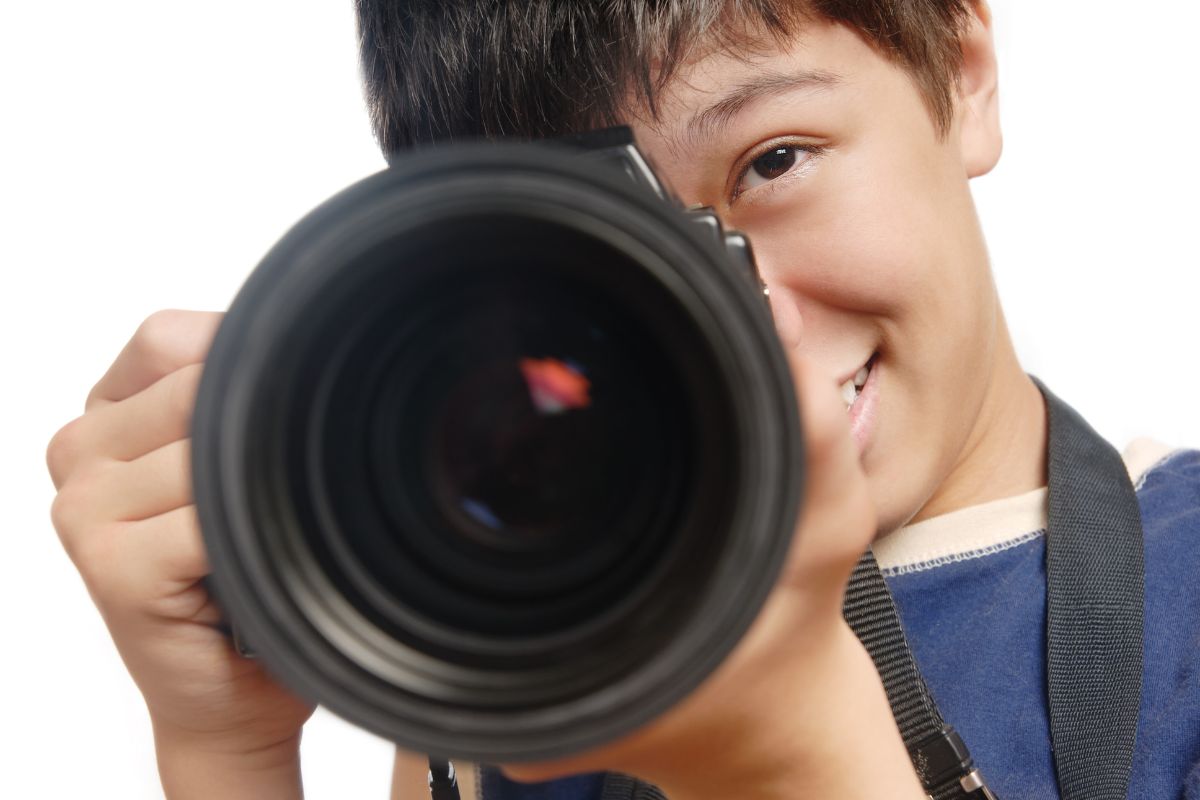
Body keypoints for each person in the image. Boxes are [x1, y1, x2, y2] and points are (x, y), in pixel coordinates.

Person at [44, 1, 1200, 798]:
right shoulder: (516, 617)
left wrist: (789, 758)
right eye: (603, 253)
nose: (738, 316)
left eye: (774, 160)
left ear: (963, 67)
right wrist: (229, 752)